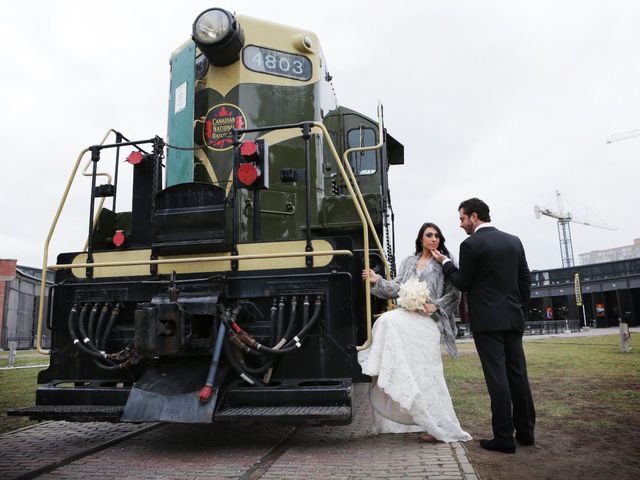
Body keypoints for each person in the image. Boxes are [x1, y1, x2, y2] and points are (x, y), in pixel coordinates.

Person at [431, 198, 536, 454]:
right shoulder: (514, 240)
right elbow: (525, 279)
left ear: (474, 217)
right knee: (518, 375)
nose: (461, 224)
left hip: (487, 322)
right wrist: (519, 309)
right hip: (513, 318)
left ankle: (503, 438)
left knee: (497, 378)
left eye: (462, 218)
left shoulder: (470, 244)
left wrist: (446, 264)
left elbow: (464, 282)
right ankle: (526, 433)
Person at [357, 222, 471, 443]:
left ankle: (436, 423)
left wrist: (435, 305)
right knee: (387, 321)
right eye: (429, 235)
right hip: (408, 316)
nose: (434, 239)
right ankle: (382, 369)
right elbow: (397, 288)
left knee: (426, 374)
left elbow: (454, 295)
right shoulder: (409, 261)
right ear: (421, 238)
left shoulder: (444, 263)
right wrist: (377, 280)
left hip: (430, 320)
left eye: (437, 235)